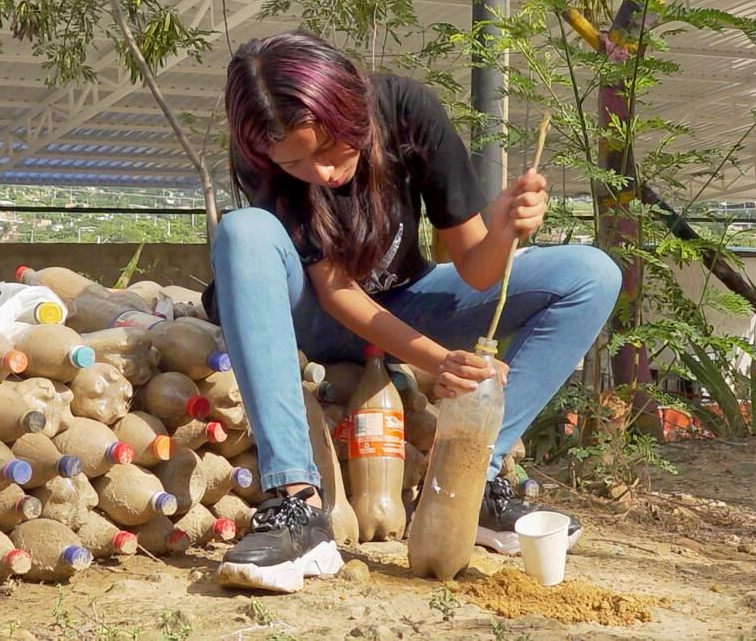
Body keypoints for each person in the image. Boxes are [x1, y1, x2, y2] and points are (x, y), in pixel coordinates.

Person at [201, 30, 622, 593]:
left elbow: (475, 268)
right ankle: (296, 504)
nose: (322, 174)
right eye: (297, 165)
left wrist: (500, 231)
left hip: (408, 301)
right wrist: (437, 360)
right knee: (243, 230)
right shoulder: (261, 145)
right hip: (311, 315)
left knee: (591, 274)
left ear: (351, 110)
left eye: (329, 151)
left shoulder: (406, 111)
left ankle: (474, 483)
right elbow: (337, 292)